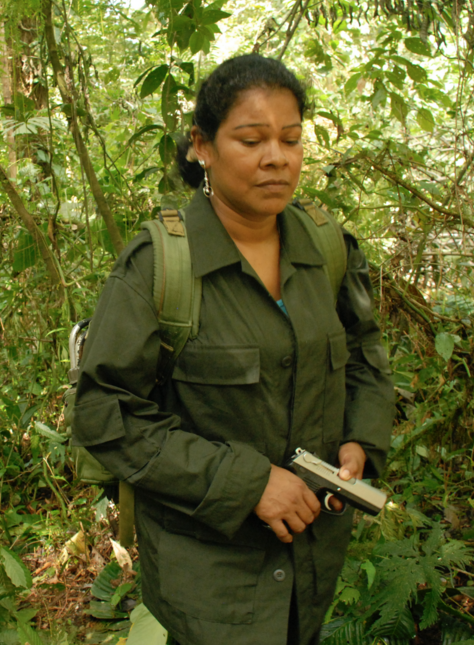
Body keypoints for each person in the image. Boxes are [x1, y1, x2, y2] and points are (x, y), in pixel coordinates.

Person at [72, 54, 394, 644]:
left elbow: (364, 353)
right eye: (251, 140)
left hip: (311, 567)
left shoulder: (328, 248)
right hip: (210, 583)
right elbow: (103, 412)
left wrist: (360, 441)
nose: (277, 158)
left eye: (291, 139)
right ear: (203, 146)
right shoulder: (160, 266)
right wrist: (245, 483)